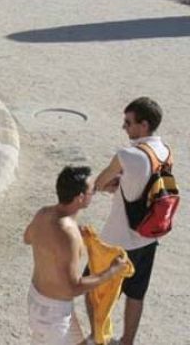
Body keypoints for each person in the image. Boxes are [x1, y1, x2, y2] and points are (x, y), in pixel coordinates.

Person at [87, 97, 169, 345]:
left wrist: (110, 184)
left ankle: (98, 338)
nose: (124, 127)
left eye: (128, 122)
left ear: (144, 125)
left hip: (118, 241)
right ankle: (127, 341)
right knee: (136, 294)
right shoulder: (164, 151)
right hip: (148, 238)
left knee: (92, 288)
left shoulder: (127, 155)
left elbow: (99, 182)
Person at [24, 166, 127, 345]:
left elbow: (27, 238)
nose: (94, 193)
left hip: (39, 300)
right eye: (92, 191)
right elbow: (73, 287)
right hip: (54, 314)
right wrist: (111, 272)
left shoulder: (44, 213)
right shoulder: (68, 233)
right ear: (80, 197)